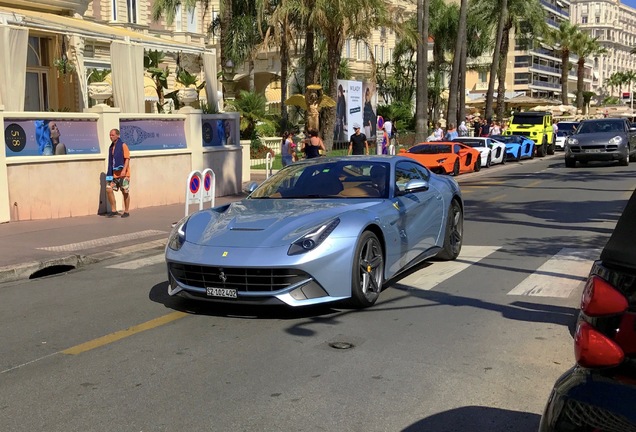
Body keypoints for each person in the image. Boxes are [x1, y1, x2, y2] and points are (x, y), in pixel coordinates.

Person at [106, 128, 131, 218]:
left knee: (125, 191)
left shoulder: (123, 145)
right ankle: (113, 210)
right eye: (110, 135)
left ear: (118, 135)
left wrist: (124, 170)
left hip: (124, 173)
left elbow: (127, 158)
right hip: (113, 174)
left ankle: (127, 211)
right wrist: (110, 174)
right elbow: (111, 161)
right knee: (108, 188)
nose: (111, 137)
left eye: (112, 135)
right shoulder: (111, 147)